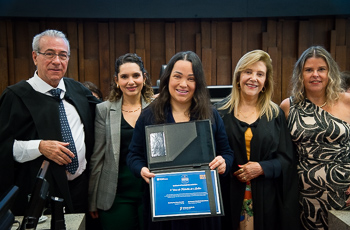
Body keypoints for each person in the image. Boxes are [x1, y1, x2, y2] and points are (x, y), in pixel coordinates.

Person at [126, 51, 234, 230]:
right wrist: (141, 169)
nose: (183, 84)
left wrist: (224, 162)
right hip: (164, 210)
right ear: (167, 78)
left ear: (198, 83)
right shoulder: (148, 115)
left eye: (191, 78)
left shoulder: (211, 114)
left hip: (202, 211)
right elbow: (134, 156)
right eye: (177, 76)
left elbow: (227, 153)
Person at [0, 29, 99, 216]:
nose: (57, 61)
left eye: (63, 55)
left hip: (80, 190)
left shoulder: (77, 90)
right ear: (35, 57)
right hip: (39, 196)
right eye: (49, 54)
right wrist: (39, 147)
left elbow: (107, 111)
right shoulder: (15, 96)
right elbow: (3, 148)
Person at [215, 50, 300, 230]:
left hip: (266, 200)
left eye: (260, 74)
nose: (253, 78)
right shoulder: (219, 112)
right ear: (238, 77)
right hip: (228, 197)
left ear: (265, 82)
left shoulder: (275, 114)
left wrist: (262, 168)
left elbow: (287, 160)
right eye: (248, 72)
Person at [280, 46, 350, 229]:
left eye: (321, 69)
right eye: (309, 70)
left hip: (346, 193)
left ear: (330, 73)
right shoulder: (288, 107)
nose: (315, 75)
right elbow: (282, 152)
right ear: (300, 74)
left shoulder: (347, 101)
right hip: (306, 197)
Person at [88, 53, 153, 229]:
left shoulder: (157, 107)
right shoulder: (104, 110)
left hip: (152, 190)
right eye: (124, 77)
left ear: (144, 78)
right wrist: (93, 200)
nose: (130, 81)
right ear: (117, 80)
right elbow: (97, 157)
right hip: (115, 195)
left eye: (135, 75)